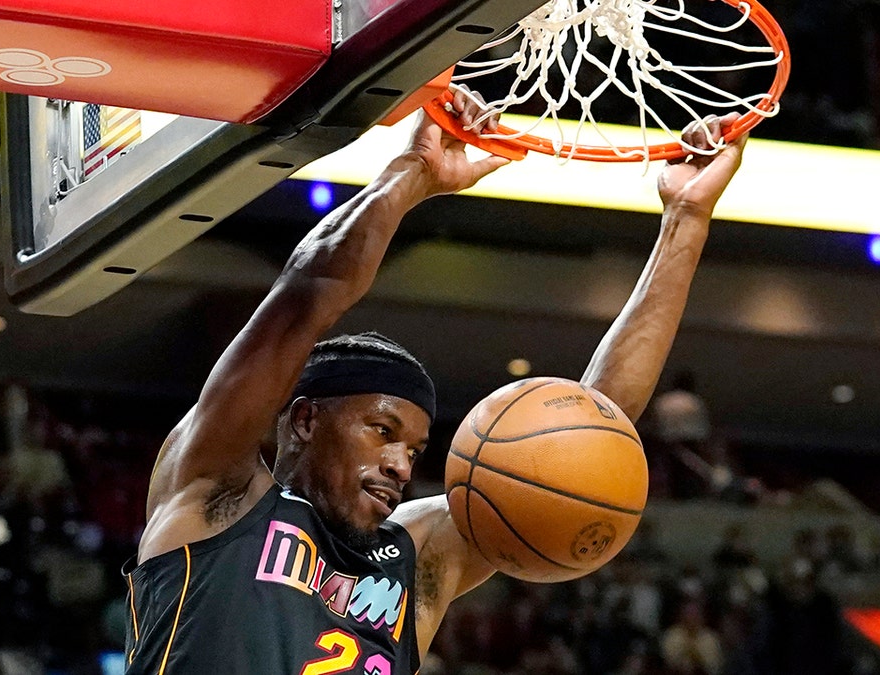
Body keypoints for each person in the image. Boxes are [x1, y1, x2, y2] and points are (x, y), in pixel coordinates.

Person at [122, 89, 749, 674]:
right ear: (307, 419)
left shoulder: (411, 558)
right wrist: (410, 175)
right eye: (382, 430)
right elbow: (305, 297)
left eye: (415, 450)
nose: (401, 465)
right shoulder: (215, 497)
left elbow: (589, 433)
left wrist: (685, 220)